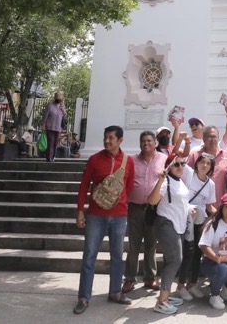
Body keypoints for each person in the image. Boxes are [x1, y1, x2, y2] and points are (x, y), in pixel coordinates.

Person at [73, 125, 135, 315]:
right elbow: (84, 185)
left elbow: (129, 186)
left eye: (111, 138)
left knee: (117, 255)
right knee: (89, 255)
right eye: (105, 137)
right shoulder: (94, 159)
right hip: (95, 215)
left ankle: (115, 292)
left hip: (119, 216)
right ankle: (84, 297)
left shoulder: (128, 161)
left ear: (120, 140)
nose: (107, 141)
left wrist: (119, 203)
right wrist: (80, 211)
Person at [122, 131, 167, 294]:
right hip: (135, 208)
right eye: (143, 141)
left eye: (149, 141)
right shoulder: (131, 160)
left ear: (155, 143)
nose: (146, 143)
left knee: (151, 245)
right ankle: (129, 279)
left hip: (154, 209)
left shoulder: (163, 159)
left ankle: (150, 278)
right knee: (133, 245)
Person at [148, 156, 192, 315]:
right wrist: (160, 180)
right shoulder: (165, 182)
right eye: (176, 164)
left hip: (179, 225)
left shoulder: (179, 181)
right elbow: (152, 201)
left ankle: (165, 295)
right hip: (166, 224)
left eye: (182, 164)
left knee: (170, 260)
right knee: (175, 260)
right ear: (169, 167)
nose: (180, 167)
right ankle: (161, 302)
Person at [179, 152, 218, 299]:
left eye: (208, 164)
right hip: (183, 218)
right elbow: (178, 160)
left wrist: (223, 215)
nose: (205, 165)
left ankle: (193, 284)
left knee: (197, 252)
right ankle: (181, 285)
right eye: (202, 162)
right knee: (186, 252)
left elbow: (209, 206)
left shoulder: (211, 184)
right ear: (197, 164)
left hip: (200, 221)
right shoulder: (189, 174)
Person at [187, 126, 227, 208]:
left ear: (218, 138)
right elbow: (187, 176)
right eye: (209, 137)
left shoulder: (226, 155)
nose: (212, 140)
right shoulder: (195, 154)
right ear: (204, 139)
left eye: (215, 137)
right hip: (198, 205)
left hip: (221, 203)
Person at [41, 92, 66, 162]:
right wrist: (43, 123)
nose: (59, 99)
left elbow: (64, 116)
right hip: (50, 126)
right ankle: (49, 157)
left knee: (55, 143)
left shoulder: (62, 106)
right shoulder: (50, 105)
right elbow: (45, 115)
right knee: (51, 142)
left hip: (58, 127)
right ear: (55, 97)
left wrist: (63, 111)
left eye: (60, 97)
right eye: (57, 97)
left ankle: (53, 156)